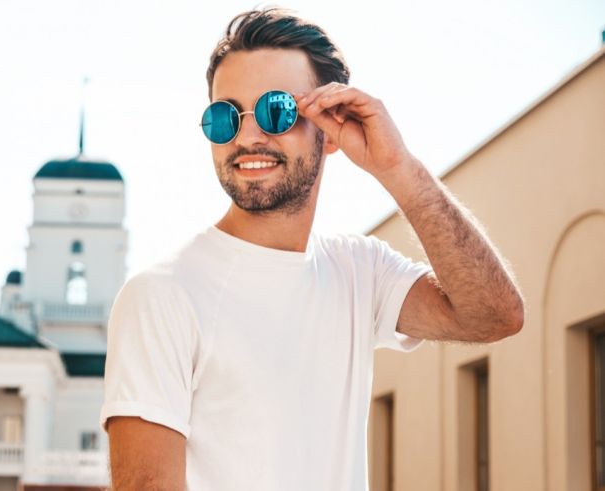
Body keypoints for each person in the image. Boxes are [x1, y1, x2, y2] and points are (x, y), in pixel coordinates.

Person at [99, 7, 524, 490]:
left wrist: (397, 168)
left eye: (275, 110)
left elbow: (495, 315)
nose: (248, 137)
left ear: (332, 127)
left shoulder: (358, 270)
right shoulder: (160, 296)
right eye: (224, 117)